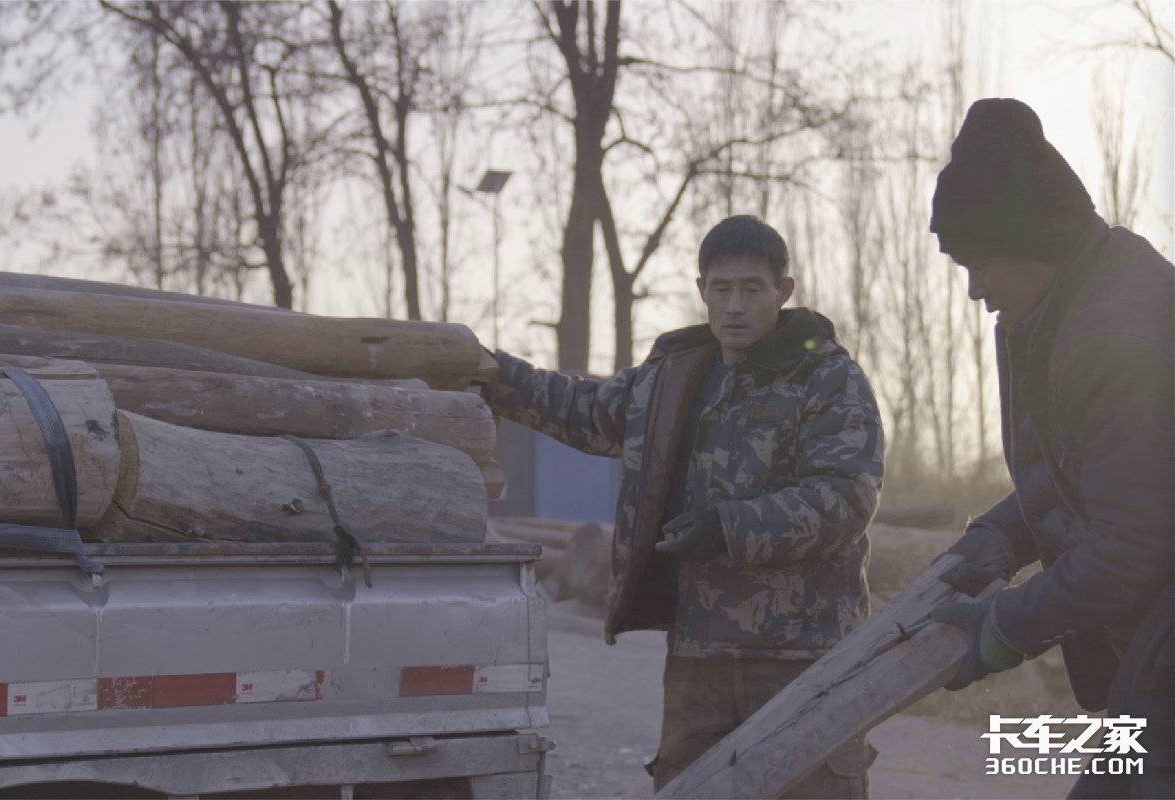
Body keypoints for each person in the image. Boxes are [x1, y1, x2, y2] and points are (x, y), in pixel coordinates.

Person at [482, 215, 884, 797]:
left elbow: (847, 497)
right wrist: (495, 375)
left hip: (803, 655)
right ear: (702, 291)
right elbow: (586, 409)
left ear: (784, 292)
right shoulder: (674, 378)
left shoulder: (827, 380)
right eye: (721, 288)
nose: (735, 306)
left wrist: (728, 526)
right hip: (701, 655)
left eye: (752, 288)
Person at [927, 98, 1174, 799]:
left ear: (1030, 239)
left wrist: (1001, 627)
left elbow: (1131, 545)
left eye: (981, 264)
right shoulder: (1047, 313)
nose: (974, 290)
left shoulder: (1123, 326)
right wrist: (998, 537)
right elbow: (1081, 472)